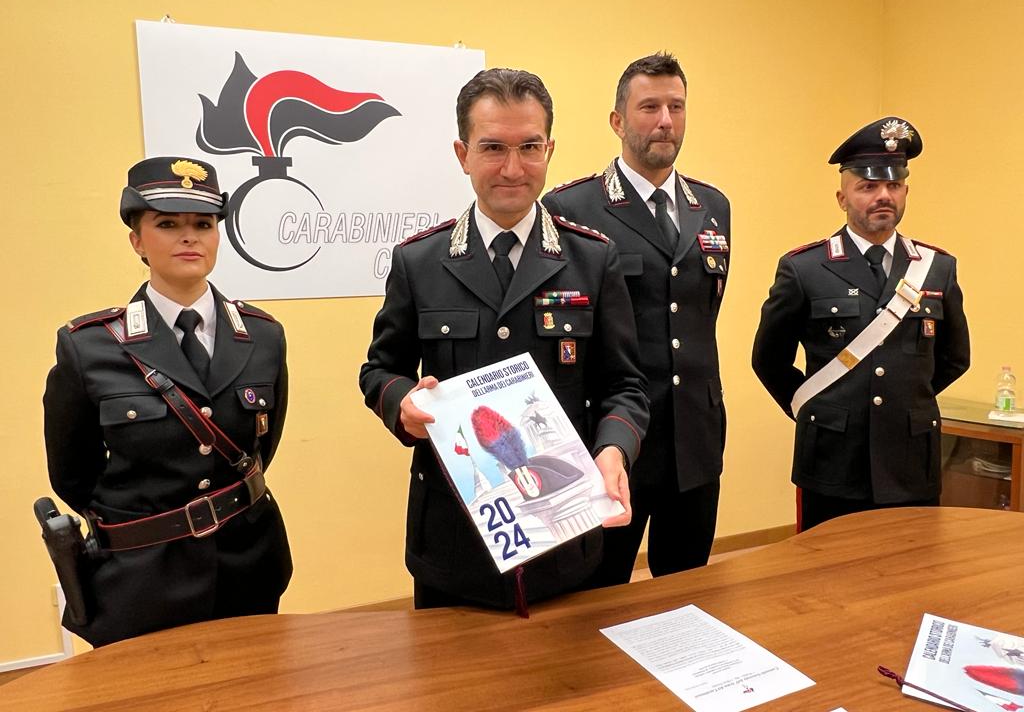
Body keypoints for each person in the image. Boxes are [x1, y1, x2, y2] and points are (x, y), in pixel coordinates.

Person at [359, 68, 649, 610]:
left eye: (529, 147)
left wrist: (615, 450)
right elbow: (379, 370)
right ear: (462, 154)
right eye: (493, 147)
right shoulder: (420, 261)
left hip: (565, 534)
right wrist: (403, 404)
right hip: (454, 540)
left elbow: (625, 385)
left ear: (549, 150)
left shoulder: (592, 259)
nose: (513, 168)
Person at [43, 157, 292, 646]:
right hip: (141, 577)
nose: (189, 237)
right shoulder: (89, 346)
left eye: (203, 224)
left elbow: (262, 448)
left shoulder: (263, 336)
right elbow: (72, 473)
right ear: (137, 241)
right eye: (168, 224)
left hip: (247, 562)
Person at [543, 52, 730, 584]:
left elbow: (700, 316)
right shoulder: (574, 209)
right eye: (649, 107)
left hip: (694, 438)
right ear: (618, 121)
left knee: (687, 590)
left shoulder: (713, 206)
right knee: (597, 594)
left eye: (676, 107)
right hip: (612, 443)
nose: (665, 121)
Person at [752, 118, 970, 531]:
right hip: (832, 460)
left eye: (893, 185)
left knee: (913, 562)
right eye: (868, 186)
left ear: (905, 192)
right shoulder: (805, 268)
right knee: (826, 566)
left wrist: (905, 402)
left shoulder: (938, 268)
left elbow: (955, 358)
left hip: (911, 458)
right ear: (842, 197)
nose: (883, 195)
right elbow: (768, 360)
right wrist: (818, 410)